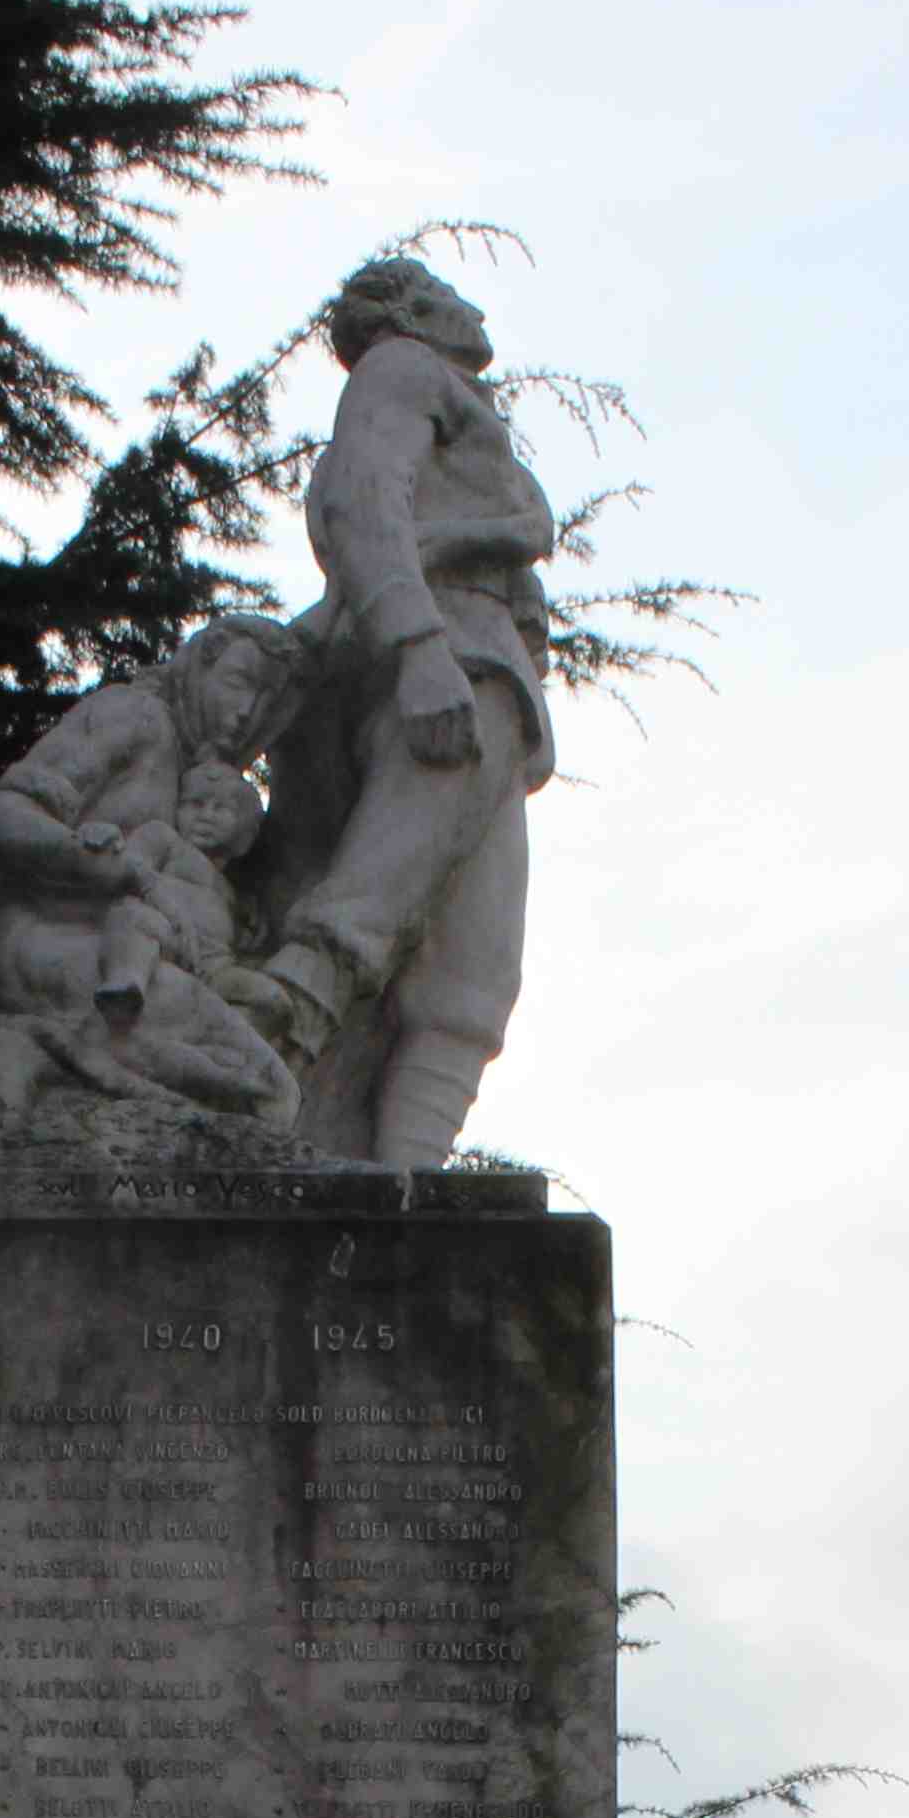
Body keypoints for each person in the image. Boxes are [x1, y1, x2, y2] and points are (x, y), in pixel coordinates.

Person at [234, 255, 558, 1167]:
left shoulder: (440, 395)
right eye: (454, 295)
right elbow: (363, 494)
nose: (476, 309)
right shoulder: (403, 368)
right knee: (359, 918)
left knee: (473, 975)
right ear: (414, 311)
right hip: (451, 654)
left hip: (478, 663)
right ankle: (241, 1086)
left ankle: (402, 1186)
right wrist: (418, 647)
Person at [0, 617, 305, 1130]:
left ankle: (34, 1059)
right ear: (197, 665)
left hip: (126, 955)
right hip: (54, 944)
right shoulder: (133, 715)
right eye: (237, 684)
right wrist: (95, 862)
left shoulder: (198, 780)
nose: (244, 713)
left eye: (263, 700)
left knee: (261, 1044)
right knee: (265, 1089)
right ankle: (36, 1051)